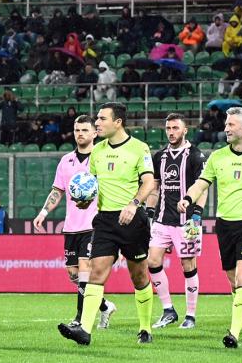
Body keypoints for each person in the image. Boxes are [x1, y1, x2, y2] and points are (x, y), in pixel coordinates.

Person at [177, 108, 242, 348]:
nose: (226, 128)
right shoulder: (217, 157)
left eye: (231, 124)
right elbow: (200, 184)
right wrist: (188, 198)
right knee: (235, 283)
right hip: (225, 226)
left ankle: (233, 333)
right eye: (226, 124)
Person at [57, 103, 157, 347]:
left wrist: (134, 204)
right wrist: (84, 200)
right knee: (96, 271)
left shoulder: (139, 148)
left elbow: (148, 182)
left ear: (118, 122)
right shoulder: (97, 152)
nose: (97, 123)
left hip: (132, 219)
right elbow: (93, 185)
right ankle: (84, 330)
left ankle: (145, 328)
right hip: (104, 220)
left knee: (139, 276)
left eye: (102, 119)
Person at [34, 114, 116, 330]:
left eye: (85, 130)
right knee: (74, 274)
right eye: (77, 130)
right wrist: (43, 212)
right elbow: (57, 191)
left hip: (94, 224)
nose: (80, 134)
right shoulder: (66, 161)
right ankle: (105, 306)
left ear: (94, 133)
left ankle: (80, 318)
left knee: (85, 270)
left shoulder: (102, 158)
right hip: (71, 226)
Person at [146, 113, 205, 331]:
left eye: (175, 128)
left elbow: (203, 187)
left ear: (185, 130)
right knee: (152, 261)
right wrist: (149, 212)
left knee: (188, 265)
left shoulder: (195, 155)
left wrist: (197, 214)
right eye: (168, 128)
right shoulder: (159, 156)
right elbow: (155, 187)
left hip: (187, 222)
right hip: (162, 220)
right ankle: (168, 310)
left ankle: (190, 315)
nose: (171, 132)